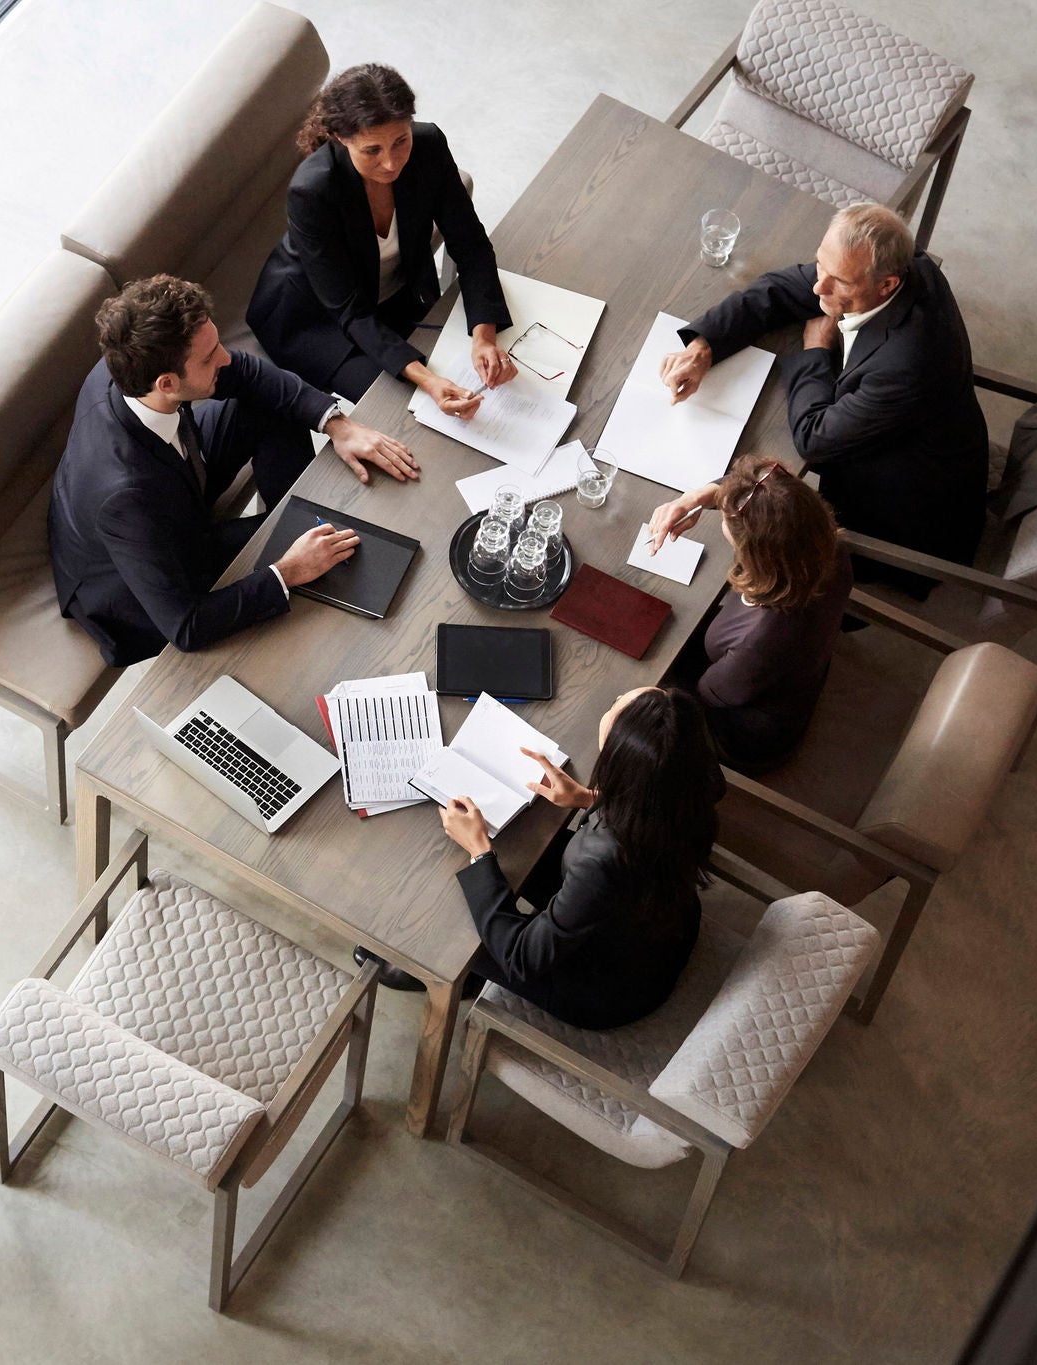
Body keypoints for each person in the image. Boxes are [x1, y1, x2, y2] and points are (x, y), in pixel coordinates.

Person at [50, 273, 417, 666]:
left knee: (271, 404)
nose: (225, 356)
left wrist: (338, 425)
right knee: (300, 566)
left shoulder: (131, 362)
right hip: (135, 574)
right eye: (209, 358)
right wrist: (286, 571)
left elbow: (246, 371)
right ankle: (300, 548)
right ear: (167, 384)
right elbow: (187, 626)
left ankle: (298, 522)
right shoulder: (125, 499)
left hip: (171, 472)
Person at [659, 202, 989, 594]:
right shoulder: (894, 263)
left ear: (887, 285)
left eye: (839, 282)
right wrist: (704, 348)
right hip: (916, 432)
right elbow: (781, 288)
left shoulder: (907, 365)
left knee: (753, 549)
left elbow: (814, 440)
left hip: (903, 513)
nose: (819, 288)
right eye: (820, 266)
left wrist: (815, 350)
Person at [436, 687, 724, 1029]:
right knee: (522, 844)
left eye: (615, 704)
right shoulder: (694, 784)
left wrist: (479, 852)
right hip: (657, 922)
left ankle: (443, 976)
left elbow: (521, 958)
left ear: (619, 758)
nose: (614, 703)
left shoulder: (601, 862)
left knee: (445, 938)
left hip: (602, 986)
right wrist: (591, 798)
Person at [248, 63, 515, 409]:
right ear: (341, 138)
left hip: (393, 293)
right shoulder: (312, 190)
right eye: (372, 150)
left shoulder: (428, 146)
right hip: (314, 317)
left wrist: (484, 336)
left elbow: (472, 246)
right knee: (402, 406)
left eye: (400, 141)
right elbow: (351, 311)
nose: (391, 163)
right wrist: (427, 380)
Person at [650, 455, 855, 771]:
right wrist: (695, 498)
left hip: (746, 731)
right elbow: (765, 495)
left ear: (757, 554)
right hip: (794, 670)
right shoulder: (829, 547)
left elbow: (707, 694)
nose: (723, 517)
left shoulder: (761, 640)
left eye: (728, 520)